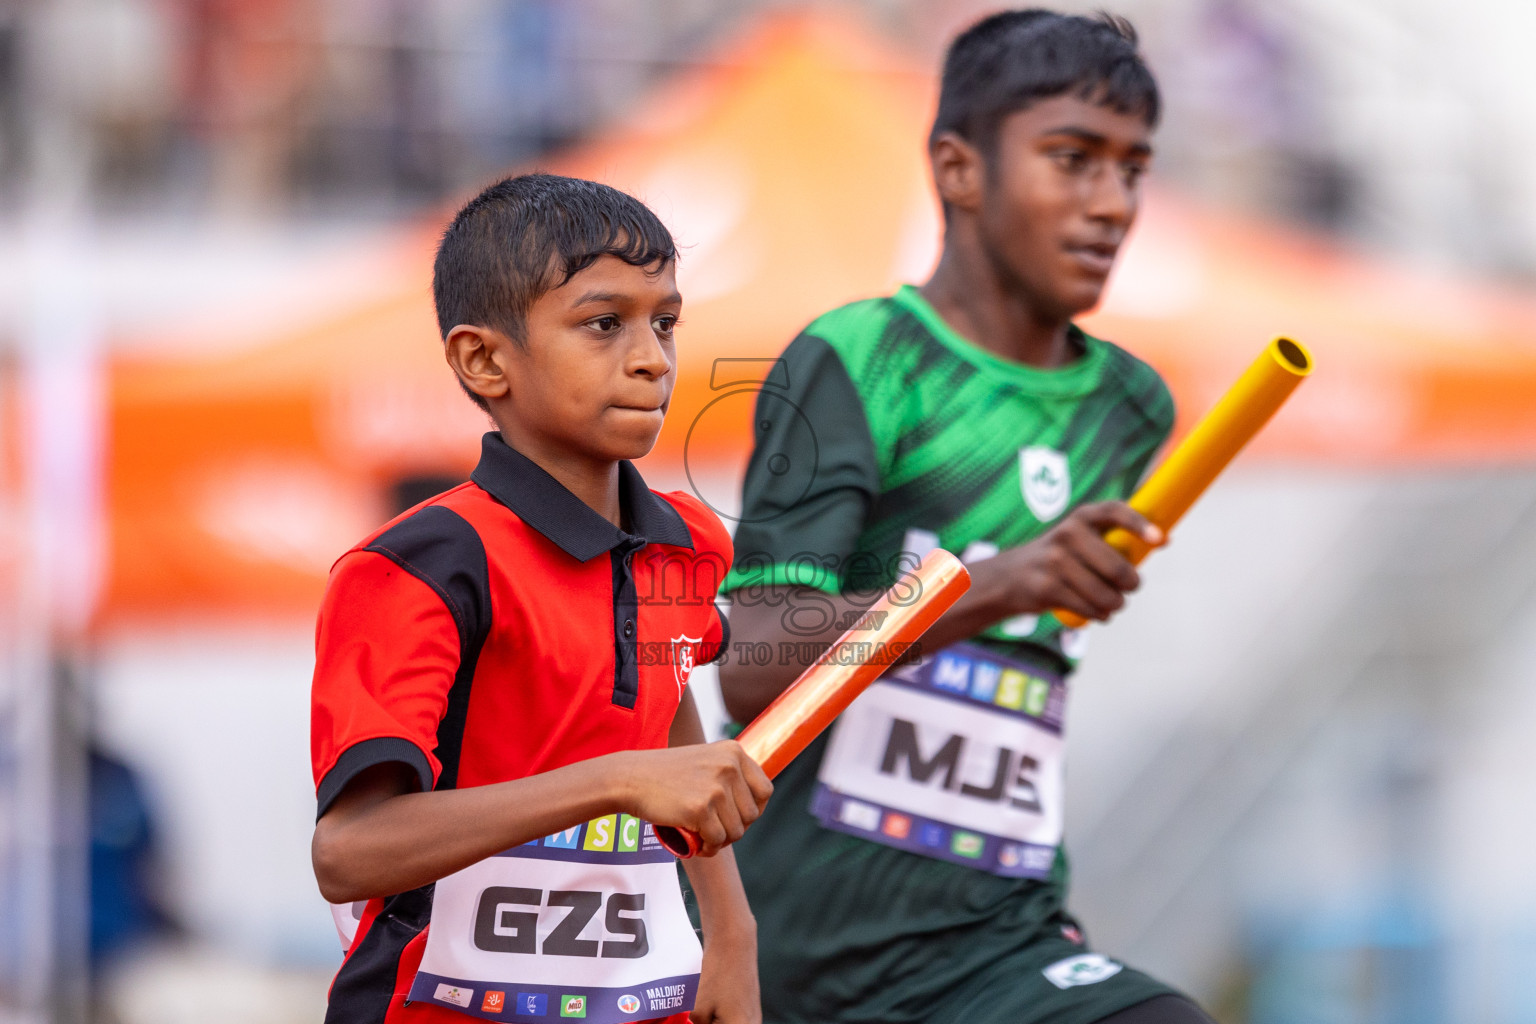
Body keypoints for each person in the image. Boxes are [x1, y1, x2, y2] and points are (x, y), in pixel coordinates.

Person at [717, 11, 1216, 1024]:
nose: (1112, 205)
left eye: (1133, 170)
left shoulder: (1131, 408)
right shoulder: (857, 360)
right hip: (802, 950)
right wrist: (997, 583)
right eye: (1073, 160)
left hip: (1001, 939)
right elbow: (755, 659)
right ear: (959, 168)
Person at [309, 173, 772, 1024]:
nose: (652, 358)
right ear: (484, 359)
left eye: (664, 321)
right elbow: (348, 852)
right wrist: (618, 782)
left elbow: (662, 700)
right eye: (604, 324)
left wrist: (732, 932)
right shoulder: (419, 564)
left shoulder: (692, 541)